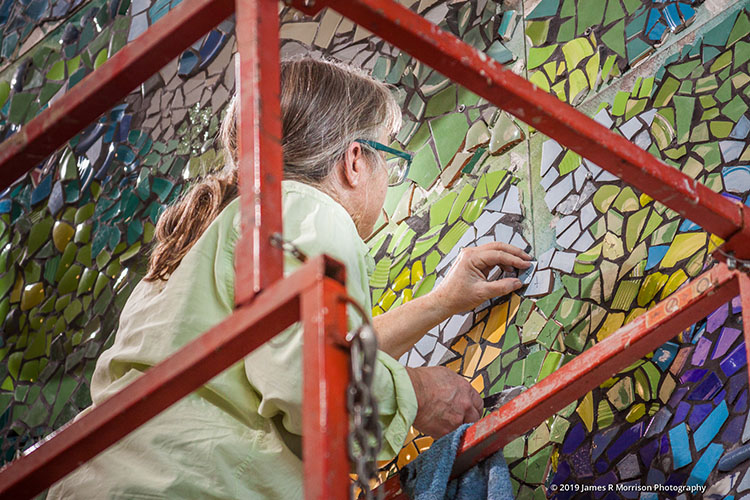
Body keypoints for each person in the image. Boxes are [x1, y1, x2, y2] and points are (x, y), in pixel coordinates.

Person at [47, 56, 531, 499]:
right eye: (392, 164)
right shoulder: (309, 209)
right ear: (355, 160)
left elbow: (293, 349)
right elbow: (310, 375)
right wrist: (419, 394)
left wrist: (440, 302)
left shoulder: (203, 241)